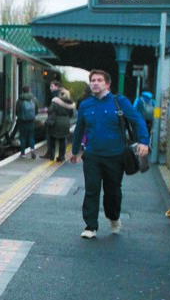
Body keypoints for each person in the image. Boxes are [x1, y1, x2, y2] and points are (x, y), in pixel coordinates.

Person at [70, 69, 150, 239]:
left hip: (116, 156)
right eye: (92, 80)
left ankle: (113, 217)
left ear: (107, 84)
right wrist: (75, 151)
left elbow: (137, 121)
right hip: (92, 155)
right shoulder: (85, 105)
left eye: (99, 80)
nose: (95, 83)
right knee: (91, 189)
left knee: (112, 191)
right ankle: (90, 226)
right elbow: (79, 129)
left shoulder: (119, 102)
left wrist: (144, 141)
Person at [46, 88, 76, 162]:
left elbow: (50, 110)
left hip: (55, 123)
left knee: (52, 140)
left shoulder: (55, 101)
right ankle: (61, 157)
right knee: (62, 140)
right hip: (65, 122)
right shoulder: (70, 103)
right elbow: (72, 114)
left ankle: (52, 156)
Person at [15, 86, 38, 158]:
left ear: (23, 91)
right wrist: (33, 116)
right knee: (31, 136)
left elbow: (17, 111)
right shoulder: (34, 99)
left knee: (22, 137)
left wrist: (20, 116)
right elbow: (36, 109)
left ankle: (23, 153)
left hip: (22, 121)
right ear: (29, 90)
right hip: (31, 121)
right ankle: (32, 149)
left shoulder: (20, 99)